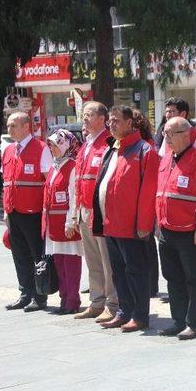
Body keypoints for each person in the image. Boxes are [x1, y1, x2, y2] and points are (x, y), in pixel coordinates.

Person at [92, 105, 159, 332]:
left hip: (131, 226)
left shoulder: (144, 150)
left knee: (136, 272)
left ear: (130, 123)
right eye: (109, 121)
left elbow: (149, 192)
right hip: (111, 223)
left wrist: (143, 225)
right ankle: (124, 311)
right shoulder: (113, 149)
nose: (111, 124)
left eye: (116, 121)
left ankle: (140, 316)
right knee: (118, 271)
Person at [155, 117, 196, 340]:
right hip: (166, 229)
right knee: (172, 277)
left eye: (171, 134)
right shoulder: (166, 158)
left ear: (186, 134)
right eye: (165, 133)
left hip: (190, 230)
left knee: (193, 278)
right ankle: (178, 320)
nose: (166, 138)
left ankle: (194, 323)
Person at [2, 112, 53, 312]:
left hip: (33, 213)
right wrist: (5, 211)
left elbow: (49, 181)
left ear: (26, 126)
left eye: (13, 125)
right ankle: (25, 293)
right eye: (8, 126)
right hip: (13, 210)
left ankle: (40, 297)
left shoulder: (41, 148)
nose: (9, 129)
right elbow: (6, 183)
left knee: (37, 255)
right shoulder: (8, 151)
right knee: (19, 255)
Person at [74, 102, 118, 322]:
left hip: (100, 211)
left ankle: (112, 303)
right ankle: (96, 301)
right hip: (84, 211)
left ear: (102, 119)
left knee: (107, 261)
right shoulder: (86, 145)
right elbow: (79, 181)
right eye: (84, 115)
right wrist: (75, 212)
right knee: (92, 261)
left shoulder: (108, 144)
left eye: (89, 115)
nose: (85, 118)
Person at [42, 129, 83, 315]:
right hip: (53, 223)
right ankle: (63, 298)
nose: (51, 148)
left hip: (66, 222)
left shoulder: (72, 166)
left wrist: (71, 222)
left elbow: (74, 196)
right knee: (59, 262)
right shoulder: (54, 166)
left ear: (65, 145)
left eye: (55, 144)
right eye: (50, 145)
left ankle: (72, 300)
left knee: (71, 263)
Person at [133, 110, 161, 298]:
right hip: (134, 201)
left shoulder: (146, 147)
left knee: (147, 243)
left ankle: (152, 285)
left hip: (145, 201)